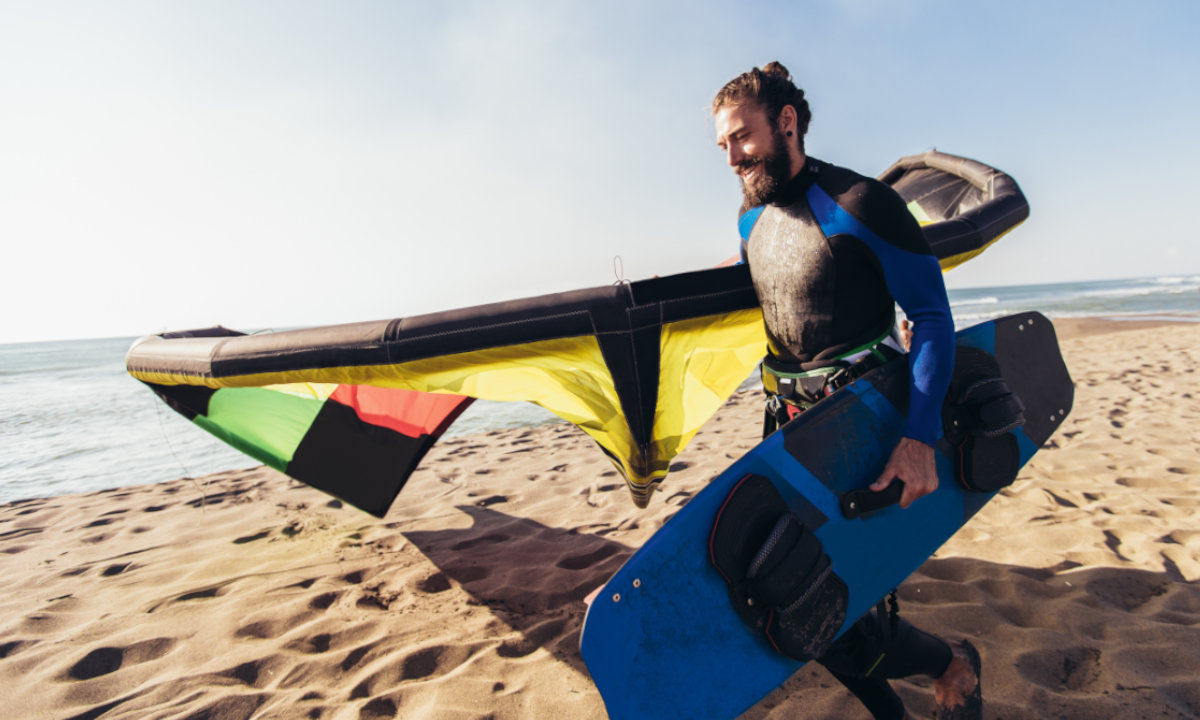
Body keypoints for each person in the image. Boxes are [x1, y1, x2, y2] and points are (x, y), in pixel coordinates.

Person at [712, 62, 981, 720]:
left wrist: (918, 438)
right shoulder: (751, 218)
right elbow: (774, 268)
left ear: (786, 122)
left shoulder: (861, 203)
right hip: (787, 425)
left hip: (862, 426)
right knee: (794, 601)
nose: (732, 156)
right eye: (722, 145)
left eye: (741, 137)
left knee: (834, 603)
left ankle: (952, 666)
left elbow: (935, 318)